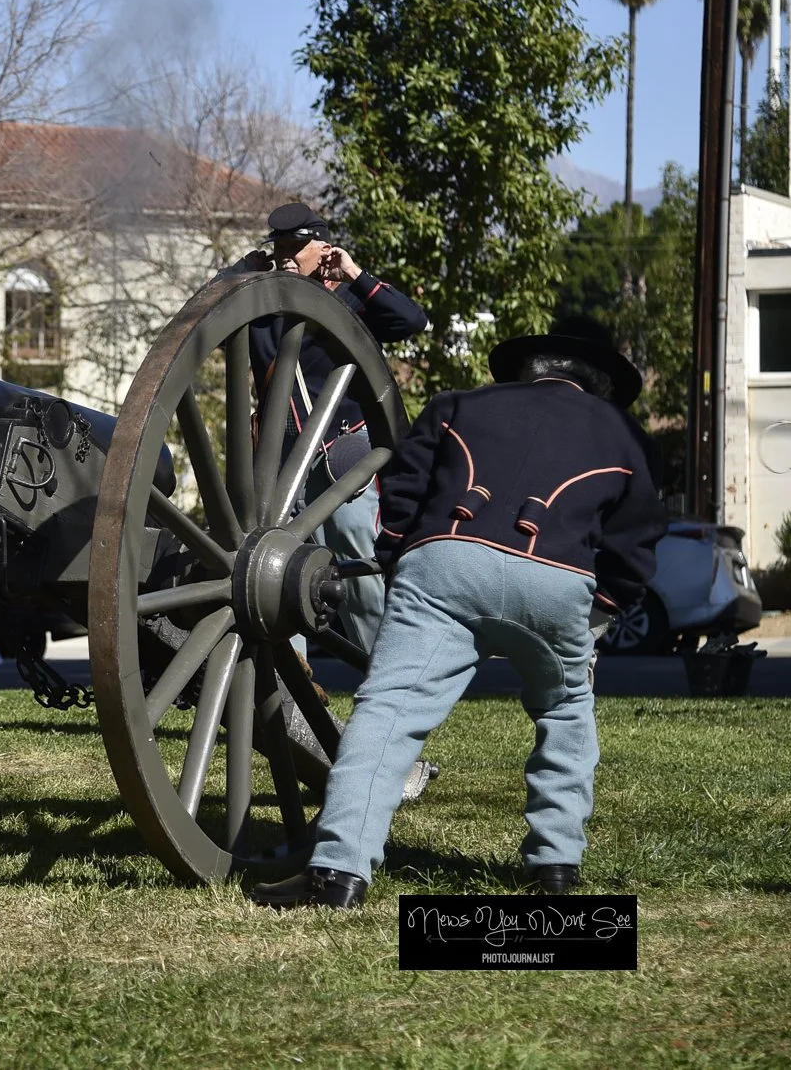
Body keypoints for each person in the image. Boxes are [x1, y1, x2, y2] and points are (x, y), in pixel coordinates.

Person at [252, 316, 665, 909]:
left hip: (443, 565)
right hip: (556, 578)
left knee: (388, 711)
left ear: (526, 370)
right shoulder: (624, 436)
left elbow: (401, 487)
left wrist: (398, 556)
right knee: (568, 711)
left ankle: (339, 874)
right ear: (600, 381)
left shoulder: (459, 403)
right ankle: (555, 871)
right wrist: (602, 605)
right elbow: (639, 535)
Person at [245, 202, 428, 654]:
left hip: (338, 452)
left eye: (296, 246)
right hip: (280, 458)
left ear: (322, 247)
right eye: (280, 247)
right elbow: (199, 318)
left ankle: (386, 679)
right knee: (274, 575)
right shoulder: (261, 306)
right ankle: (288, 695)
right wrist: (239, 269)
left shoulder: (347, 302)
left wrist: (355, 274)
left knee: (357, 571)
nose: (285, 255)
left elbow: (411, 320)